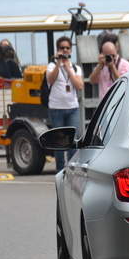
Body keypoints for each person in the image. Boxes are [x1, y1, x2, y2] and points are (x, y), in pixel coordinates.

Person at [46, 36, 83, 173]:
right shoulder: (51, 66)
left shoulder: (75, 68)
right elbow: (50, 80)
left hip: (72, 108)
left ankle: (72, 170)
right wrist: (58, 63)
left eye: (67, 48)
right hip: (56, 108)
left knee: (72, 139)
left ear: (71, 50)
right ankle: (60, 170)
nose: (65, 50)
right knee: (59, 141)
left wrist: (68, 69)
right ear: (57, 50)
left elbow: (79, 86)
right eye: (62, 48)